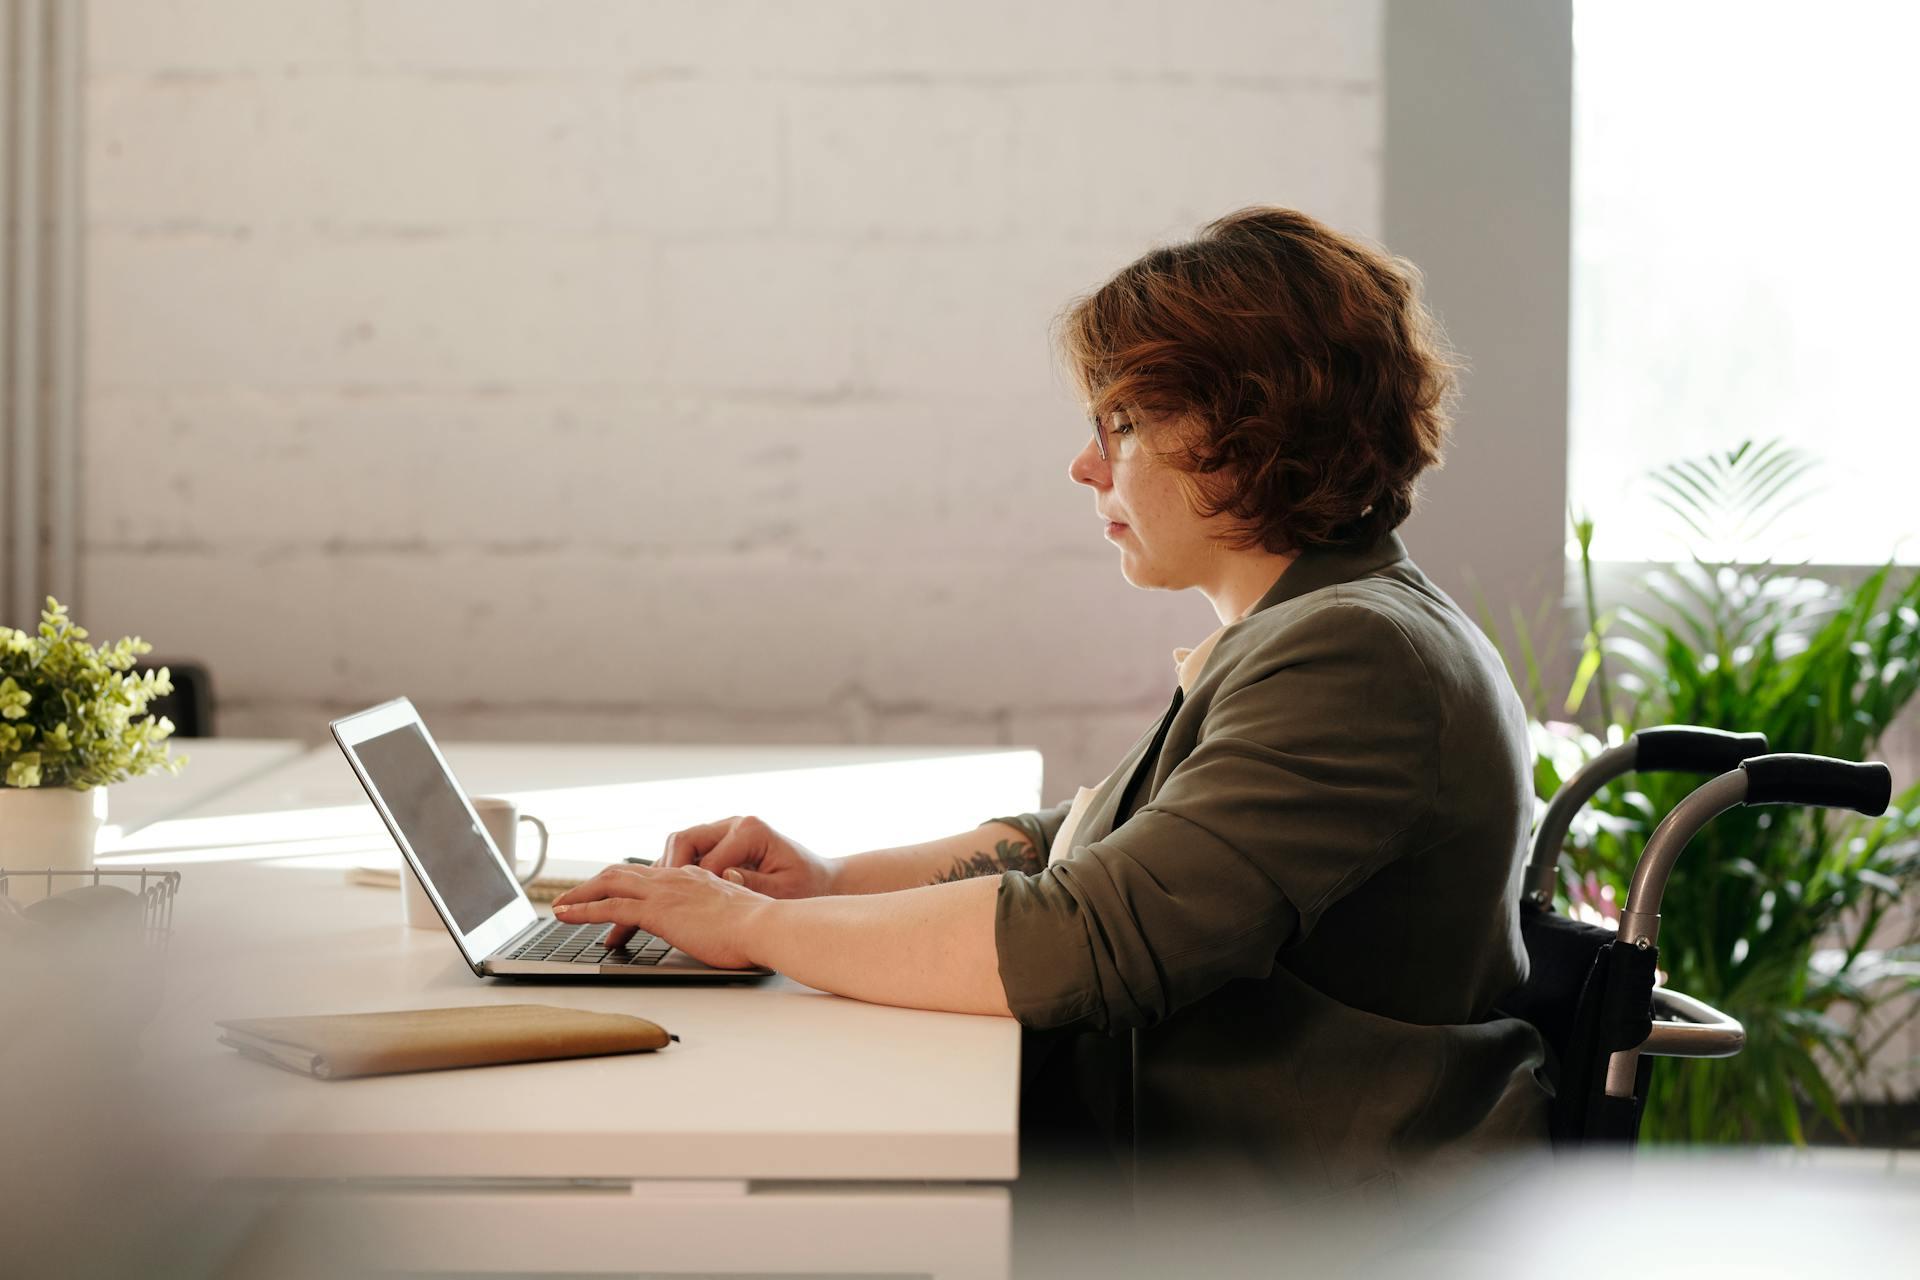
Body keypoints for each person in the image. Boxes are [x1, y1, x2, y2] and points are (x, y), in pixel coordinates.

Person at [553, 207, 1551, 1241]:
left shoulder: (1355, 655)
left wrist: (753, 928)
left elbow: (1094, 935)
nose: (1086, 466)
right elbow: (1079, 840)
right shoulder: (1323, 619)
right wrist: (828, 877)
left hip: (1308, 1228)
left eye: (1121, 424)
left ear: (1248, 430)